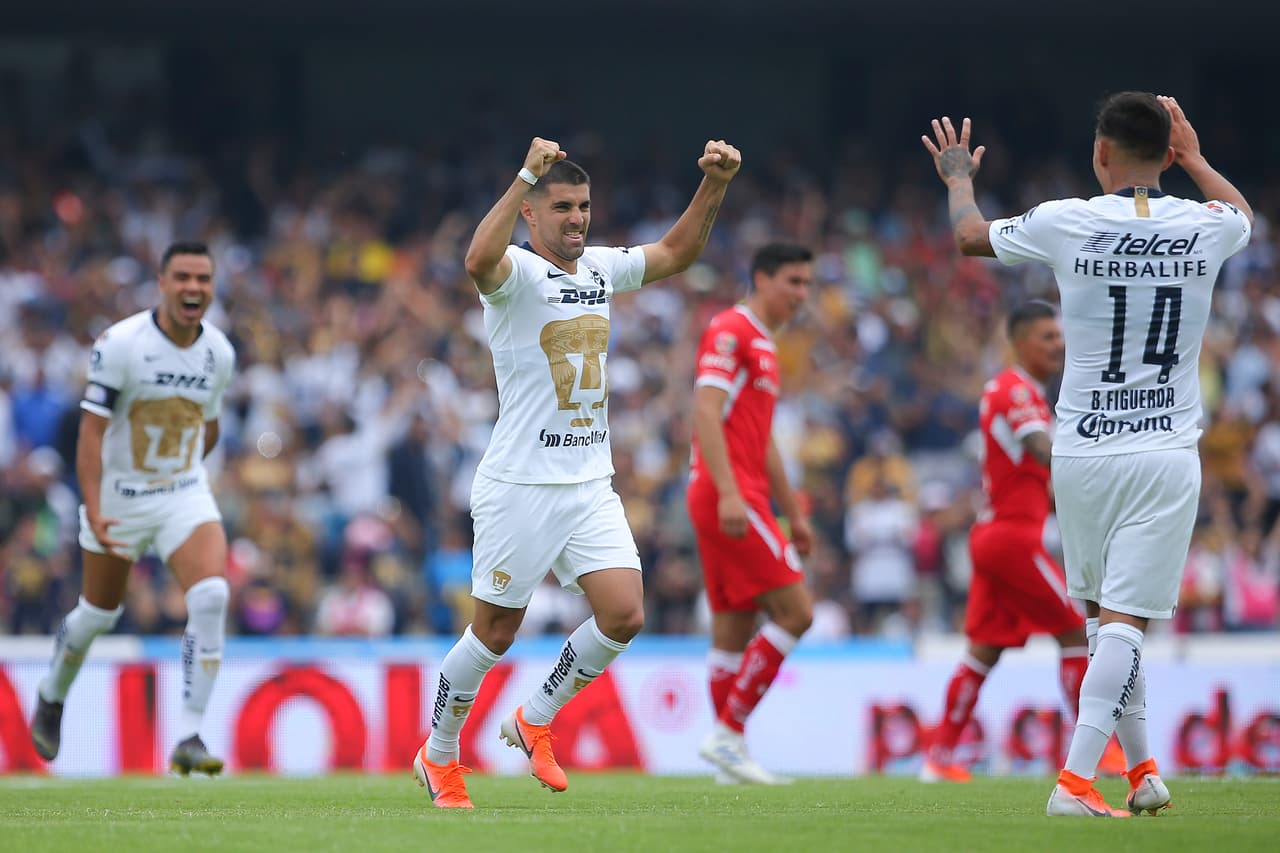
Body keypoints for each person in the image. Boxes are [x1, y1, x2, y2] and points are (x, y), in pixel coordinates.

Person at [923, 93, 1252, 816]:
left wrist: (958, 178)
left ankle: (1141, 772)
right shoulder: (1206, 225)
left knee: (1105, 623)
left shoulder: (1064, 219)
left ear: (1101, 152)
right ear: (1168, 152)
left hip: (1080, 454)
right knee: (1127, 625)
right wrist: (1197, 161)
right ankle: (1074, 783)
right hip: (1162, 452)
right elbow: (1243, 215)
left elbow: (971, 236)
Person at [412, 136, 741, 809]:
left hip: (589, 481)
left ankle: (533, 717)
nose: (577, 218)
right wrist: (524, 174)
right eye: (562, 206)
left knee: (624, 613)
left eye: (584, 206)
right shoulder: (516, 275)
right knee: (494, 633)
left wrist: (715, 183)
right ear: (531, 213)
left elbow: (676, 253)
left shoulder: (600, 268)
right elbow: (476, 260)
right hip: (521, 484)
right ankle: (438, 753)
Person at [29, 241, 237, 776]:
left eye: (203, 279)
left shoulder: (219, 352)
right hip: (119, 497)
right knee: (99, 614)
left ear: (212, 287)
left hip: (181, 492)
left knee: (211, 594)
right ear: (162, 284)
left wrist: (183, 477)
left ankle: (190, 734)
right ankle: (52, 693)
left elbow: (209, 425)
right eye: (183, 277)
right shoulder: (121, 343)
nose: (193, 288)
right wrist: (94, 503)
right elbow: (91, 432)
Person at [919, 301, 1109, 782]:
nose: (1058, 345)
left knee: (983, 649)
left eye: (1058, 336)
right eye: (1047, 337)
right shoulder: (1015, 389)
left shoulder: (1016, 391)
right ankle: (1098, 753)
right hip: (1012, 538)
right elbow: (1042, 450)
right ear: (1020, 342)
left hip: (995, 537)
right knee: (1073, 631)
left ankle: (939, 758)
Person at [688, 242, 815, 785]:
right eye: (793, 282)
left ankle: (728, 759)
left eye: (807, 284)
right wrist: (728, 492)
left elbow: (763, 442)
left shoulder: (764, 342)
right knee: (797, 613)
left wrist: (794, 512)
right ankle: (728, 734)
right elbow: (704, 410)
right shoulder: (732, 330)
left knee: (733, 629)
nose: (802, 294)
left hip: (741, 493)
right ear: (761, 278)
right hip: (730, 494)